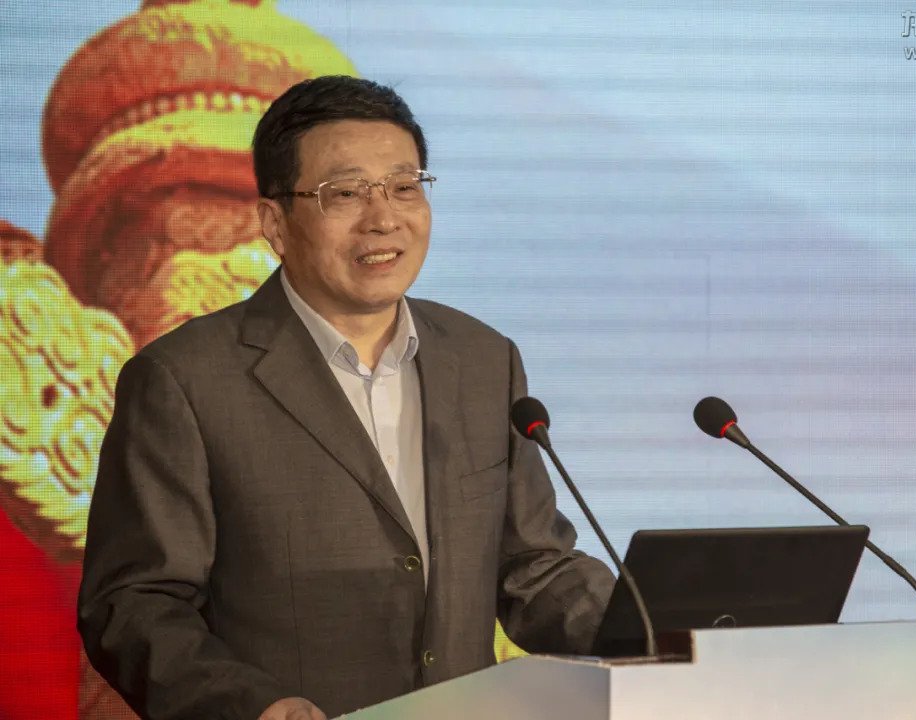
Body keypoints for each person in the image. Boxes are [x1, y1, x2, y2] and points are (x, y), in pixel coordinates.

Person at [78, 75, 615, 720]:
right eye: (346, 193)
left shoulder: (483, 360)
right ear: (275, 223)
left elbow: (533, 571)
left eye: (404, 186)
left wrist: (662, 627)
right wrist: (249, 705)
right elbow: (135, 603)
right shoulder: (184, 379)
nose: (384, 218)